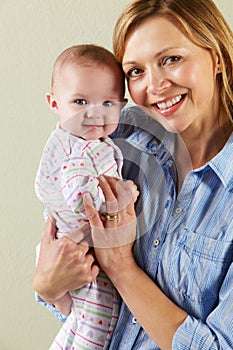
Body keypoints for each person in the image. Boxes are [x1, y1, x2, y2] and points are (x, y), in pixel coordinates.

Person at [33, 0, 233, 349]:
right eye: (136, 71)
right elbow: (92, 305)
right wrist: (49, 287)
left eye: (172, 59)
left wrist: (122, 267)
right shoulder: (121, 137)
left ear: (216, 56)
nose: (155, 85)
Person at [34, 44, 128, 349]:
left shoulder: (69, 141)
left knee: (78, 323)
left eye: (108, 103)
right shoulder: (86, 148)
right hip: (79, 250)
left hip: (62, 250)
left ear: (122, 105)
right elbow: (80, 198)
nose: (94, 115)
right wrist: (121, 197)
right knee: (97, 324)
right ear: (54, 102)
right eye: (80, 102)